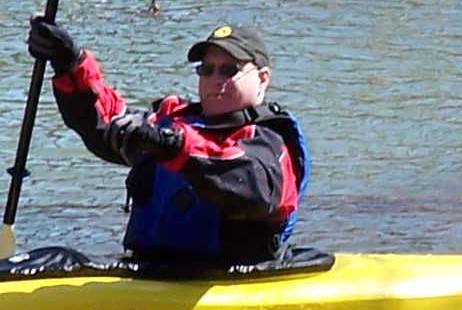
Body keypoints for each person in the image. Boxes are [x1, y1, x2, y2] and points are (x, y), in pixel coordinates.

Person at [24, 17, 308, 266]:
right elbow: (106, 121)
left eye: (229, 70)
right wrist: (69, 63)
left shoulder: (270, 142)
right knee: (55, 257)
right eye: (206, 70)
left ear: (262, 79)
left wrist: (172, 145)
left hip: (221, 278)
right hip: (152, 272)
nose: (214, 79)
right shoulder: (171, 123)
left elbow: (249, 185)